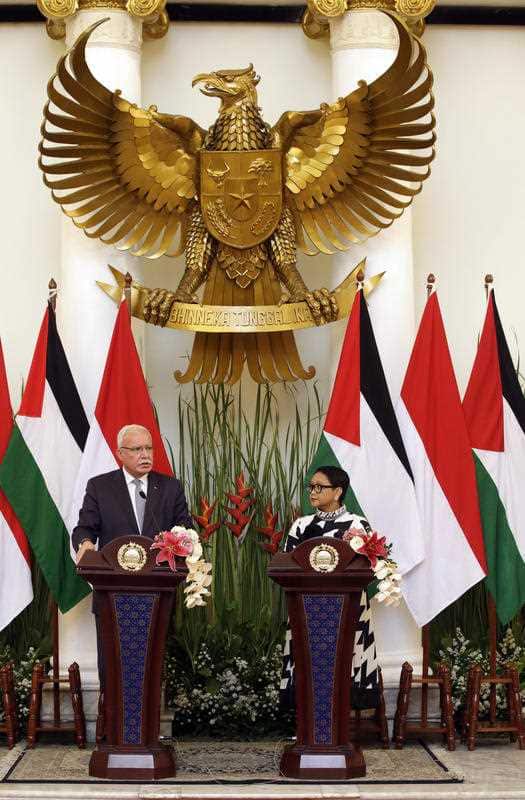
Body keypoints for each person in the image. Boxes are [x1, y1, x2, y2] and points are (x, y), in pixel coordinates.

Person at [72, 423, 193, 689]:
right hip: (112, 595)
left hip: (157, 593)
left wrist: (182, 541)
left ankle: (148, 727)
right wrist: (85, 543)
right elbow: (84, 527)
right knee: (112, 666)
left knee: (150, 667)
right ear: (120, 453)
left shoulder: (170, 487)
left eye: (149, 448)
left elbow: (186, 529)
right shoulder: (100, 487)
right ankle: (112, 727)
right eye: (137, 449)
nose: (145, 454)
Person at [280, 465, 379, 710]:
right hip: (306, 611)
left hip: (349, 611)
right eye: (310, 487)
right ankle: (308, 729)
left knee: (346, 666)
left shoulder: (357, 525)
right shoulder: (301, 526)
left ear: (337, 492)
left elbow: (368, 566)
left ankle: (341, 729)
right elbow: (285, 564)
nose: (312, 492)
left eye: (319, 487)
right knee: (308, 668)